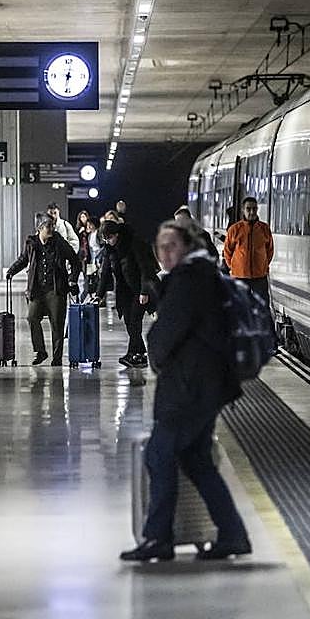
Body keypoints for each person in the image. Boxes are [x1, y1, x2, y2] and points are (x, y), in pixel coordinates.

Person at [120, 220, 251, 562]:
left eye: (172, 246)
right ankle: (233, 535)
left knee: (159, 455)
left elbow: (166, 334)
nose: (165, 253)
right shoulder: (202, 275)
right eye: (160, 247)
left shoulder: (188, 280)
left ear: (187, 247)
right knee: (196, 461)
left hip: (189, 388)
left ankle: (158, 538)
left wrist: (156, 354)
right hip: (204, 387)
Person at [7, 218, 81, 366]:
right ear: (40, 229)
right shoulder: (31, 243)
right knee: (32, 318)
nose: (51, 231)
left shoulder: (59, 242)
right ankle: (40, 351)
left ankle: (57, 357)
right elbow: (24, 260)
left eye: (52, 227)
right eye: (48, 228)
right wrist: (11, 271)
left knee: (57, 324)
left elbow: (75, 261)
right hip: (37, 290)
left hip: (56, 289)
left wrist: (72, 280)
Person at [98, 220, 159, 368]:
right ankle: (140, 354)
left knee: (134, 321)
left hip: (140, 289)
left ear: (117, 234)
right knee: (129, 322)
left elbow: (145, 268)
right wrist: (99, 294)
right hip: (125, 291)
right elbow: (105, 272)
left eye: (110, 237)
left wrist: (144, 292)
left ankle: (134, 353)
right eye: (105, 239)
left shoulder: (134, 244)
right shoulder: (109, 249)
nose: (108, 241)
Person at [222, 197, 274, 307]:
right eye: (248, 209)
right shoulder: (234, 229)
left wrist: (263, 265)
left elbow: (269, 250)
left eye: (254, 209)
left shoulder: (264, 229)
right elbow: (227, 251)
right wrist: (234, 267)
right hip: (239, 276)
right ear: (243, 210)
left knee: (262, 306)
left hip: (259, 276)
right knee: (240, 306)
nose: (251, 212)